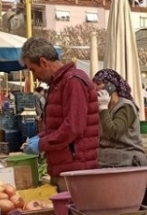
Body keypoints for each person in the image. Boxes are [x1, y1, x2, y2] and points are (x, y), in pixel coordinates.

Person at [20, 37, 99, 191]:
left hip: (76, 170)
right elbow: (58, 125)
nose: (34, 77)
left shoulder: (73, 81)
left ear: (43, 62)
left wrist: (42, 144)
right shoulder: (59, 83)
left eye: (33, 70)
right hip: (65, 167)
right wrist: (42, 137)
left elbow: (73, 127)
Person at [92, 69, 147, 168]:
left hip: (128, 161)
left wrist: (103, 108)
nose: (95, 88)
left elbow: (114, 132)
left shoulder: (125, 106)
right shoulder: (103, 107)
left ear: (110, 86)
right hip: (106, 162)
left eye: (98, 83)